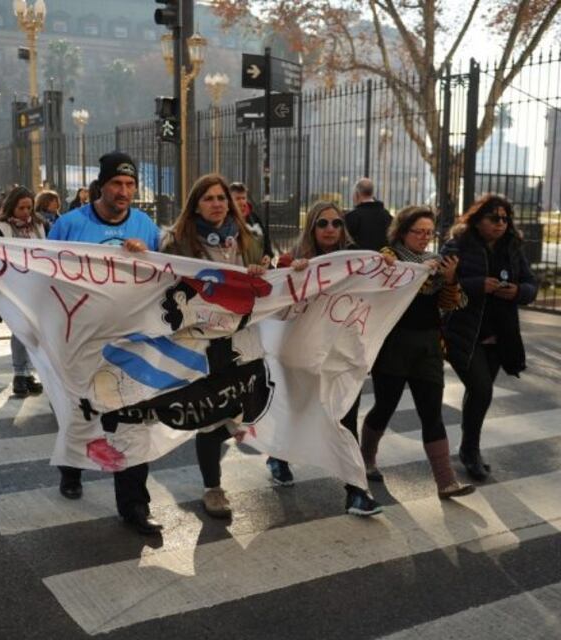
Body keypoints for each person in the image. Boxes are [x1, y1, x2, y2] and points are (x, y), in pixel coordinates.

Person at [48, 151, 163, 535]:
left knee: (132, 423)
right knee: (80, 412)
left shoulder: (146, 226)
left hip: (130, 344)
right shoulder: (69, 225)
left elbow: (162, 277)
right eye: (117, 184)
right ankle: (72, 468)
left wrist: (145, 257)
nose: (124, 191)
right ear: (101, 185)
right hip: (80, 341)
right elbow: (44, 277)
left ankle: (134, 506)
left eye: (130, 185)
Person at [158, 173, 271, 519]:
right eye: (208, 198)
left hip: (242, 339)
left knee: (243, 408)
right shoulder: (177, 242)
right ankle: (213, 487)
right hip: (200, 344)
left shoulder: (249, 239)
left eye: (222, 198)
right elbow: (161, 281)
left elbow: (268, 278)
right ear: (196, 204)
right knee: (210, 414)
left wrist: (262, 270)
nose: (217, 204)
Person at [269, 201, 386, 516]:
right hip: (301, 355)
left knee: (344, 418)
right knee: (297, 411)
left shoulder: (359, 263)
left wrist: (396, 267)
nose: (331, 229)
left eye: (336, 223)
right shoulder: (293, 261)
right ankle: (279, 455)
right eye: (323, 223)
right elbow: (276, 309)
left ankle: (356, 492)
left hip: (342, 356)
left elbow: (384, 289)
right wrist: (288, 276)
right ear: (312, 228)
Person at [359, 206, 475, 499]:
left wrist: (449, 279)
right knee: (385, 406)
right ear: (402, 232)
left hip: (428, 348)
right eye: (418, 232)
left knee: (432, 413)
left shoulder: (436, 264)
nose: (424, 238)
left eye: (429, 232)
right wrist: (389, 266)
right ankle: (366, 458)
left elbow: (451, 304)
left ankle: (446, 481)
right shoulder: (390, 258)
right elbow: (377, 287)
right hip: (393, 346)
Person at [441, 194, 538, 481]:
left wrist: (519, 292)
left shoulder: (512, 247)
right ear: (477, 219)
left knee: (479, 393)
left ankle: (469, 448)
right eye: (493, 218)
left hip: (500, 334)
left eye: (505, 219)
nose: (500, 224)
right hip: (464, 333)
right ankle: (470, 451)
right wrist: (476, 285)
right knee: (482, 389)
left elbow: (531, 283)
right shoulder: (458, 245)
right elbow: (439, 283)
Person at [0, 186, 47, 397]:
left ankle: (29, 372)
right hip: (13, 287)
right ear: (12, 207)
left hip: (36, 286)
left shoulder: (39, 225)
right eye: (21, 208)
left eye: (29, 208)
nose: (26, 212)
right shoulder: (0, 227)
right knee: (20, 330)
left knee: (34, 332)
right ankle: (19, 373)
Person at [345, 178, 392, 252]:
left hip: (360, 260)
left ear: (357, 193)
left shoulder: (351, 217)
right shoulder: (387, 215)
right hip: (383, 260)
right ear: (372, 193)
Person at [228, 181, 273, 259]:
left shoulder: (253, 217)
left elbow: (266, 239)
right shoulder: (225, 219)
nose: (242, 202)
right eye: (237, 198)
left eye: (243, 198)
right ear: (229, 201)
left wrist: (267, 255)